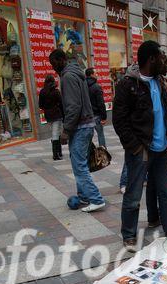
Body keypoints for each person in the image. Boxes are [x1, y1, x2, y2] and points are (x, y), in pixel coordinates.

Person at [112, 40, 167, 252]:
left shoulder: (159, 81)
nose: (164, 63)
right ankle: (128, 236)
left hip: (162, 149)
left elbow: (164, 113)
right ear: (151, 59)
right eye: (161, 58)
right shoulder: (128, 84)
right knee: (133, 194)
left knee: (166, 192)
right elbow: (119, 121)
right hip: (142, 150)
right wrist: (136, 147)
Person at [49, 49, 105, 212]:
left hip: (80, 127)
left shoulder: (68, 77)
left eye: (54, 64)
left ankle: (96, 198)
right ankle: (84, 196)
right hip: (85, 125)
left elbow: (74, 106)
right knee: (79, 163)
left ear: (61, 60)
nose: (53, 68)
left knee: (79, 165)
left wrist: (66, 130)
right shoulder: (75, 74)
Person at [38, 75, 63, 161]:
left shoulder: (42, 92)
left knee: (55, 132)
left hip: (48, 115)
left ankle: (59, 152)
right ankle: (55, 154)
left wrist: (47, 108)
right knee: (56, 133)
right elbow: (61, 103)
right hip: (57, 114)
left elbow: (40, 105)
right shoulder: (56, 92)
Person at [85, 67, 107, 147]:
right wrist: (104, 117)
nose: (97, 75)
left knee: (88, 137)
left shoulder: (83, 86)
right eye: (96, 73)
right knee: (100, 134)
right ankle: (103, 152)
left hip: (87, 115)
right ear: (91, 75)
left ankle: (88, 153)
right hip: (96, 115)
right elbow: (101, 103)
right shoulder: (96, 87)